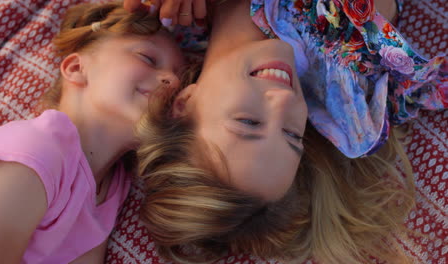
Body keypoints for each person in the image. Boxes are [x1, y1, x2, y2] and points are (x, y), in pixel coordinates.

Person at [117, 0, 446, 263]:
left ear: (184, 104)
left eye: (248, 122)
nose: (284, 101)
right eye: (293, 135)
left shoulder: (169, 21)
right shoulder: (339, 45)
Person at [0, 2, 184, 263]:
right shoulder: (36, 148)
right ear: (77, 69)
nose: (174, 81)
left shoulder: (114, 188)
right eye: (148, 58)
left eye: (182, 78)